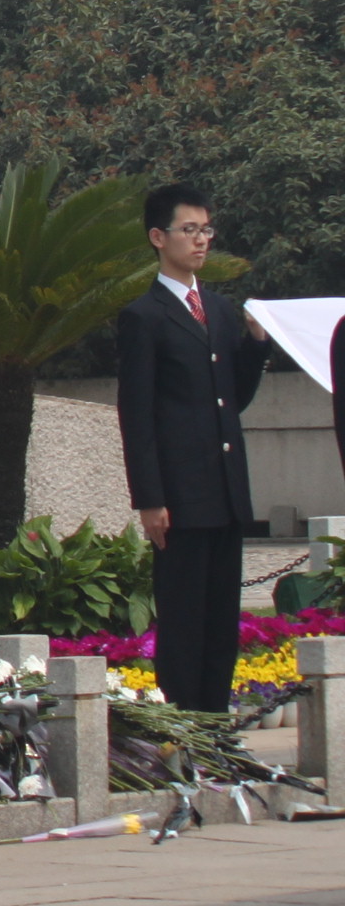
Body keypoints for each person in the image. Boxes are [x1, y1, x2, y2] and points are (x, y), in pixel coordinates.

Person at [114, 181, 273, 712]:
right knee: (183, 618)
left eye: (206, 229)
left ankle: (215, 726)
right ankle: (184, 731)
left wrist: (254, 347)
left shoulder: (221, 311)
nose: (200, 240)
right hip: (179, 497)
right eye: (189, 229)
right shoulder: (145, 316)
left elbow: (235, 398)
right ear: (159, 237)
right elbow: (136, 415)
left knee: (221, 618)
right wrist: (150, 498)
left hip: (226, 492)